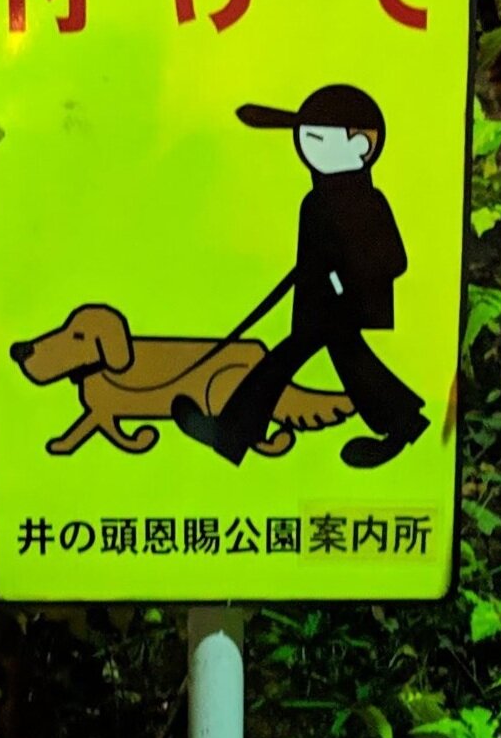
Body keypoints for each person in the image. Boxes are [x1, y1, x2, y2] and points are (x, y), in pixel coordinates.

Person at [172, 83, 428, 469]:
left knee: (286, 363)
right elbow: (311, 259)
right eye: (307, 139)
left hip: (346, 306)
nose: (311, 148)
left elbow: (394, 260)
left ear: (362, 147)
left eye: (322, 139)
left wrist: (342, 280)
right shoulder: (314, 201)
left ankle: (231, 433)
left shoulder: (368, 202)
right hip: (318, 306)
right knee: (350, 363)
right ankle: (404, 423)